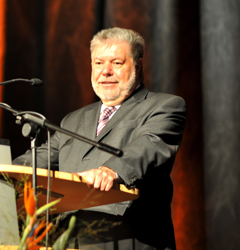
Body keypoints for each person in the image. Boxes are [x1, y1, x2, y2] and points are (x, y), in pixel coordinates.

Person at [12, 27, 186, 249]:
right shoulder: (73, 120)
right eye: (98, 63)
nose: (106, 71)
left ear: (138, 65)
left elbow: (149, 145)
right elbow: (38, 159)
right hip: (67, 242)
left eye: (116, 63)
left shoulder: (164, 106)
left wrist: (112, 171)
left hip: (128, 240)